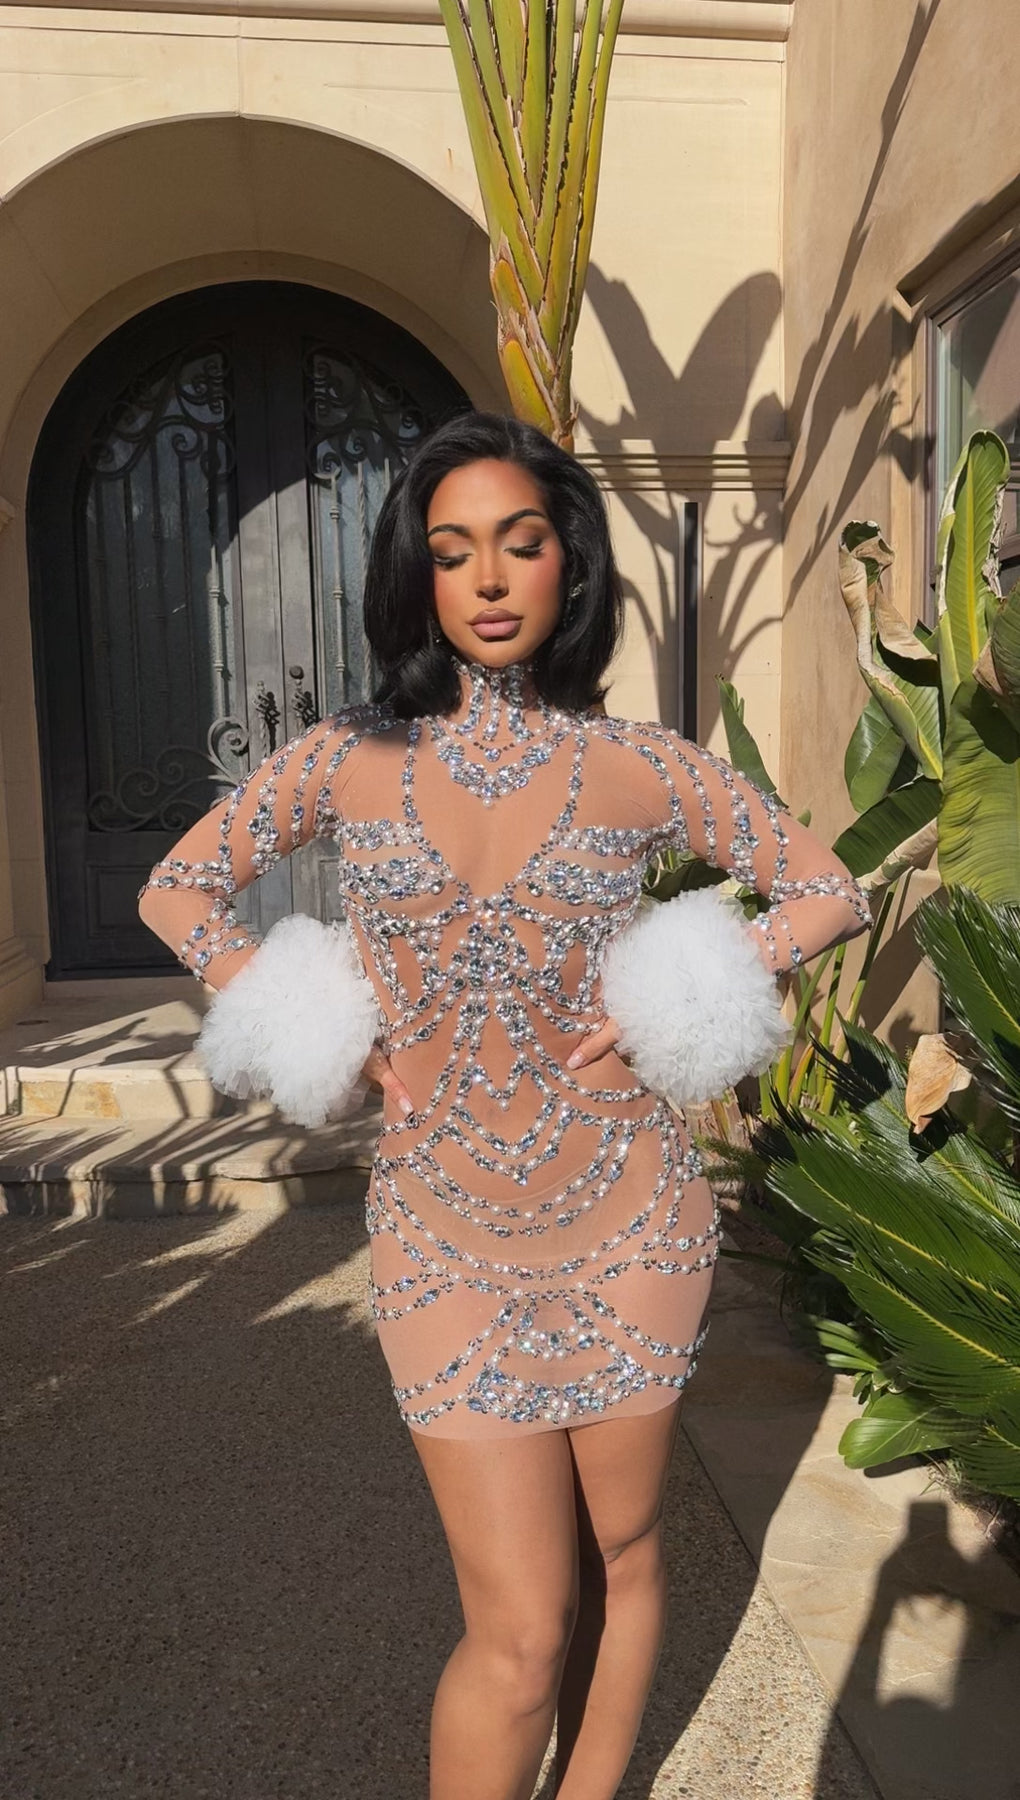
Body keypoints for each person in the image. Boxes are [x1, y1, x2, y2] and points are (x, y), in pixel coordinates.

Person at [138, 410, 872, 1800]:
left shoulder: (642, 762)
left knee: (627, 1553)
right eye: (452, 549)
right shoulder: (344, 759)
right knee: (520, 1630)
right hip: (443, 1236)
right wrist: (330, 1027)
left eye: (519, 544)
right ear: (415, 575)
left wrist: (672, 995)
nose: (485, 577)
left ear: (567, 564)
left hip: (632, 1219)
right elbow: (175, 892)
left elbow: (831, 888)